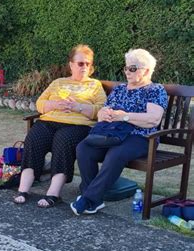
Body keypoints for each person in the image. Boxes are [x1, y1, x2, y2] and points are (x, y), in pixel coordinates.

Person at [72, 48, 168, 215]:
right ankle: (95, 198)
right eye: (126, 68)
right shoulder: (120, 89)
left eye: (132, 68)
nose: (127, 72)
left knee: (116, 154)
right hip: (113, 134)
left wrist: (124, 117)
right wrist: (103, 114)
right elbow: (104, 111)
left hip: (141, 137)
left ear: (145, 71)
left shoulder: (154, 90)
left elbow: (153, 119)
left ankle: (89, 199)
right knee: (84, 148)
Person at [14, 45, 106, 206]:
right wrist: (55, 104)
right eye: (80, 63)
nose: (84, 67)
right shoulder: (58, 83)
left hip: (77, 125)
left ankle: (53, 193)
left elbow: (101, 110)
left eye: (88, 64)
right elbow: (40, 104)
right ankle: (23, 189)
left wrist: (77, 107)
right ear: (71, 64)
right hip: (50, 121)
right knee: (34, 138)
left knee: (63, 140)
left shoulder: (94, 85)